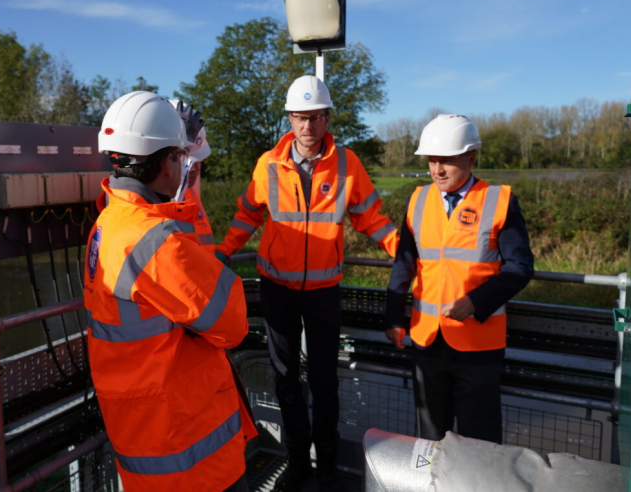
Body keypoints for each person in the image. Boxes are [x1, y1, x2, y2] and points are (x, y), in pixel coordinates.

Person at [215, 76, 399, 491]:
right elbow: (246, 215)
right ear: (290, 119)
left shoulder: (347, 164)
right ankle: (298, 463)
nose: (307, 126)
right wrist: (223, 252)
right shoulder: (268, 164)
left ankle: (328, 467)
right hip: (276, 287)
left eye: (315, 117)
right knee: (284, 378)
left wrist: (401, 252)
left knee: (324, 381)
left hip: (323, 292)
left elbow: (371, 218)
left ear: (327, 118)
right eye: (300, 117)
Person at [83, 91, 257, 491]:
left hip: (142, 434)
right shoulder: (156, 241)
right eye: (180, 157)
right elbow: (232, 324)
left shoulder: (108, 224)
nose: (184, 166)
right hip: (191, 454)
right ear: (166, 162)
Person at [384, 114, 534, 445]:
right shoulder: (417, 200)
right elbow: (404, 264)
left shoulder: (499, 201)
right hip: (426, 340)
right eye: (432, 160)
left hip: (478, 346)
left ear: (471, 157)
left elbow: (520, 267)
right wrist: (394, 317)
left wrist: (475, 302)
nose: (437, 169)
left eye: (447, 161)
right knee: (429, 436)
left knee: (478, 440)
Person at [169, 99, 214, 253]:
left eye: (199, 161)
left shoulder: (190, 194)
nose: (195, 168)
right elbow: (168, 205)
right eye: (187, 159)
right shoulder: (151, 201)